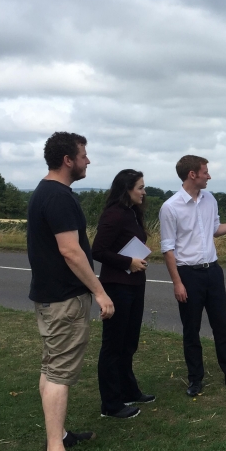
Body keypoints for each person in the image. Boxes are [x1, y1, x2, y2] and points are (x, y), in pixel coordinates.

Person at [27, 131, 115, 451]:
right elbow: (70, 250)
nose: (88, 160)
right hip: (64, 300)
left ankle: (59, 434)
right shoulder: (60, 197)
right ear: (68, 160)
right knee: (60, 374)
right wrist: (100, 291)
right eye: (84, 154)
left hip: (52, 298)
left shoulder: (43, 191)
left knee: (52, 368)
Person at [159, 155, 226, 397]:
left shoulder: (210, 199)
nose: (209, 176)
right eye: (205, 172)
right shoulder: (170, 207)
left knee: (221, 327)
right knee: (191, 330)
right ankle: (195, 380)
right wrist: (177, 282)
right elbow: (167, 249)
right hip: (188, 274)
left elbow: (215, 230)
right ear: (192, 174)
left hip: (213, 272)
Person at [92, 169, 154, 419]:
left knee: (129, 343)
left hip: (135, 284)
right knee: (113, 346)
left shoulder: (132, 213)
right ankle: (111, 404)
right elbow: (98, 251)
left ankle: (129, 390)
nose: (144, 192)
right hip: (117, 286)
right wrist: (128, 262)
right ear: (126, 189)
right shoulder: (114, 214)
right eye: (140, 187)